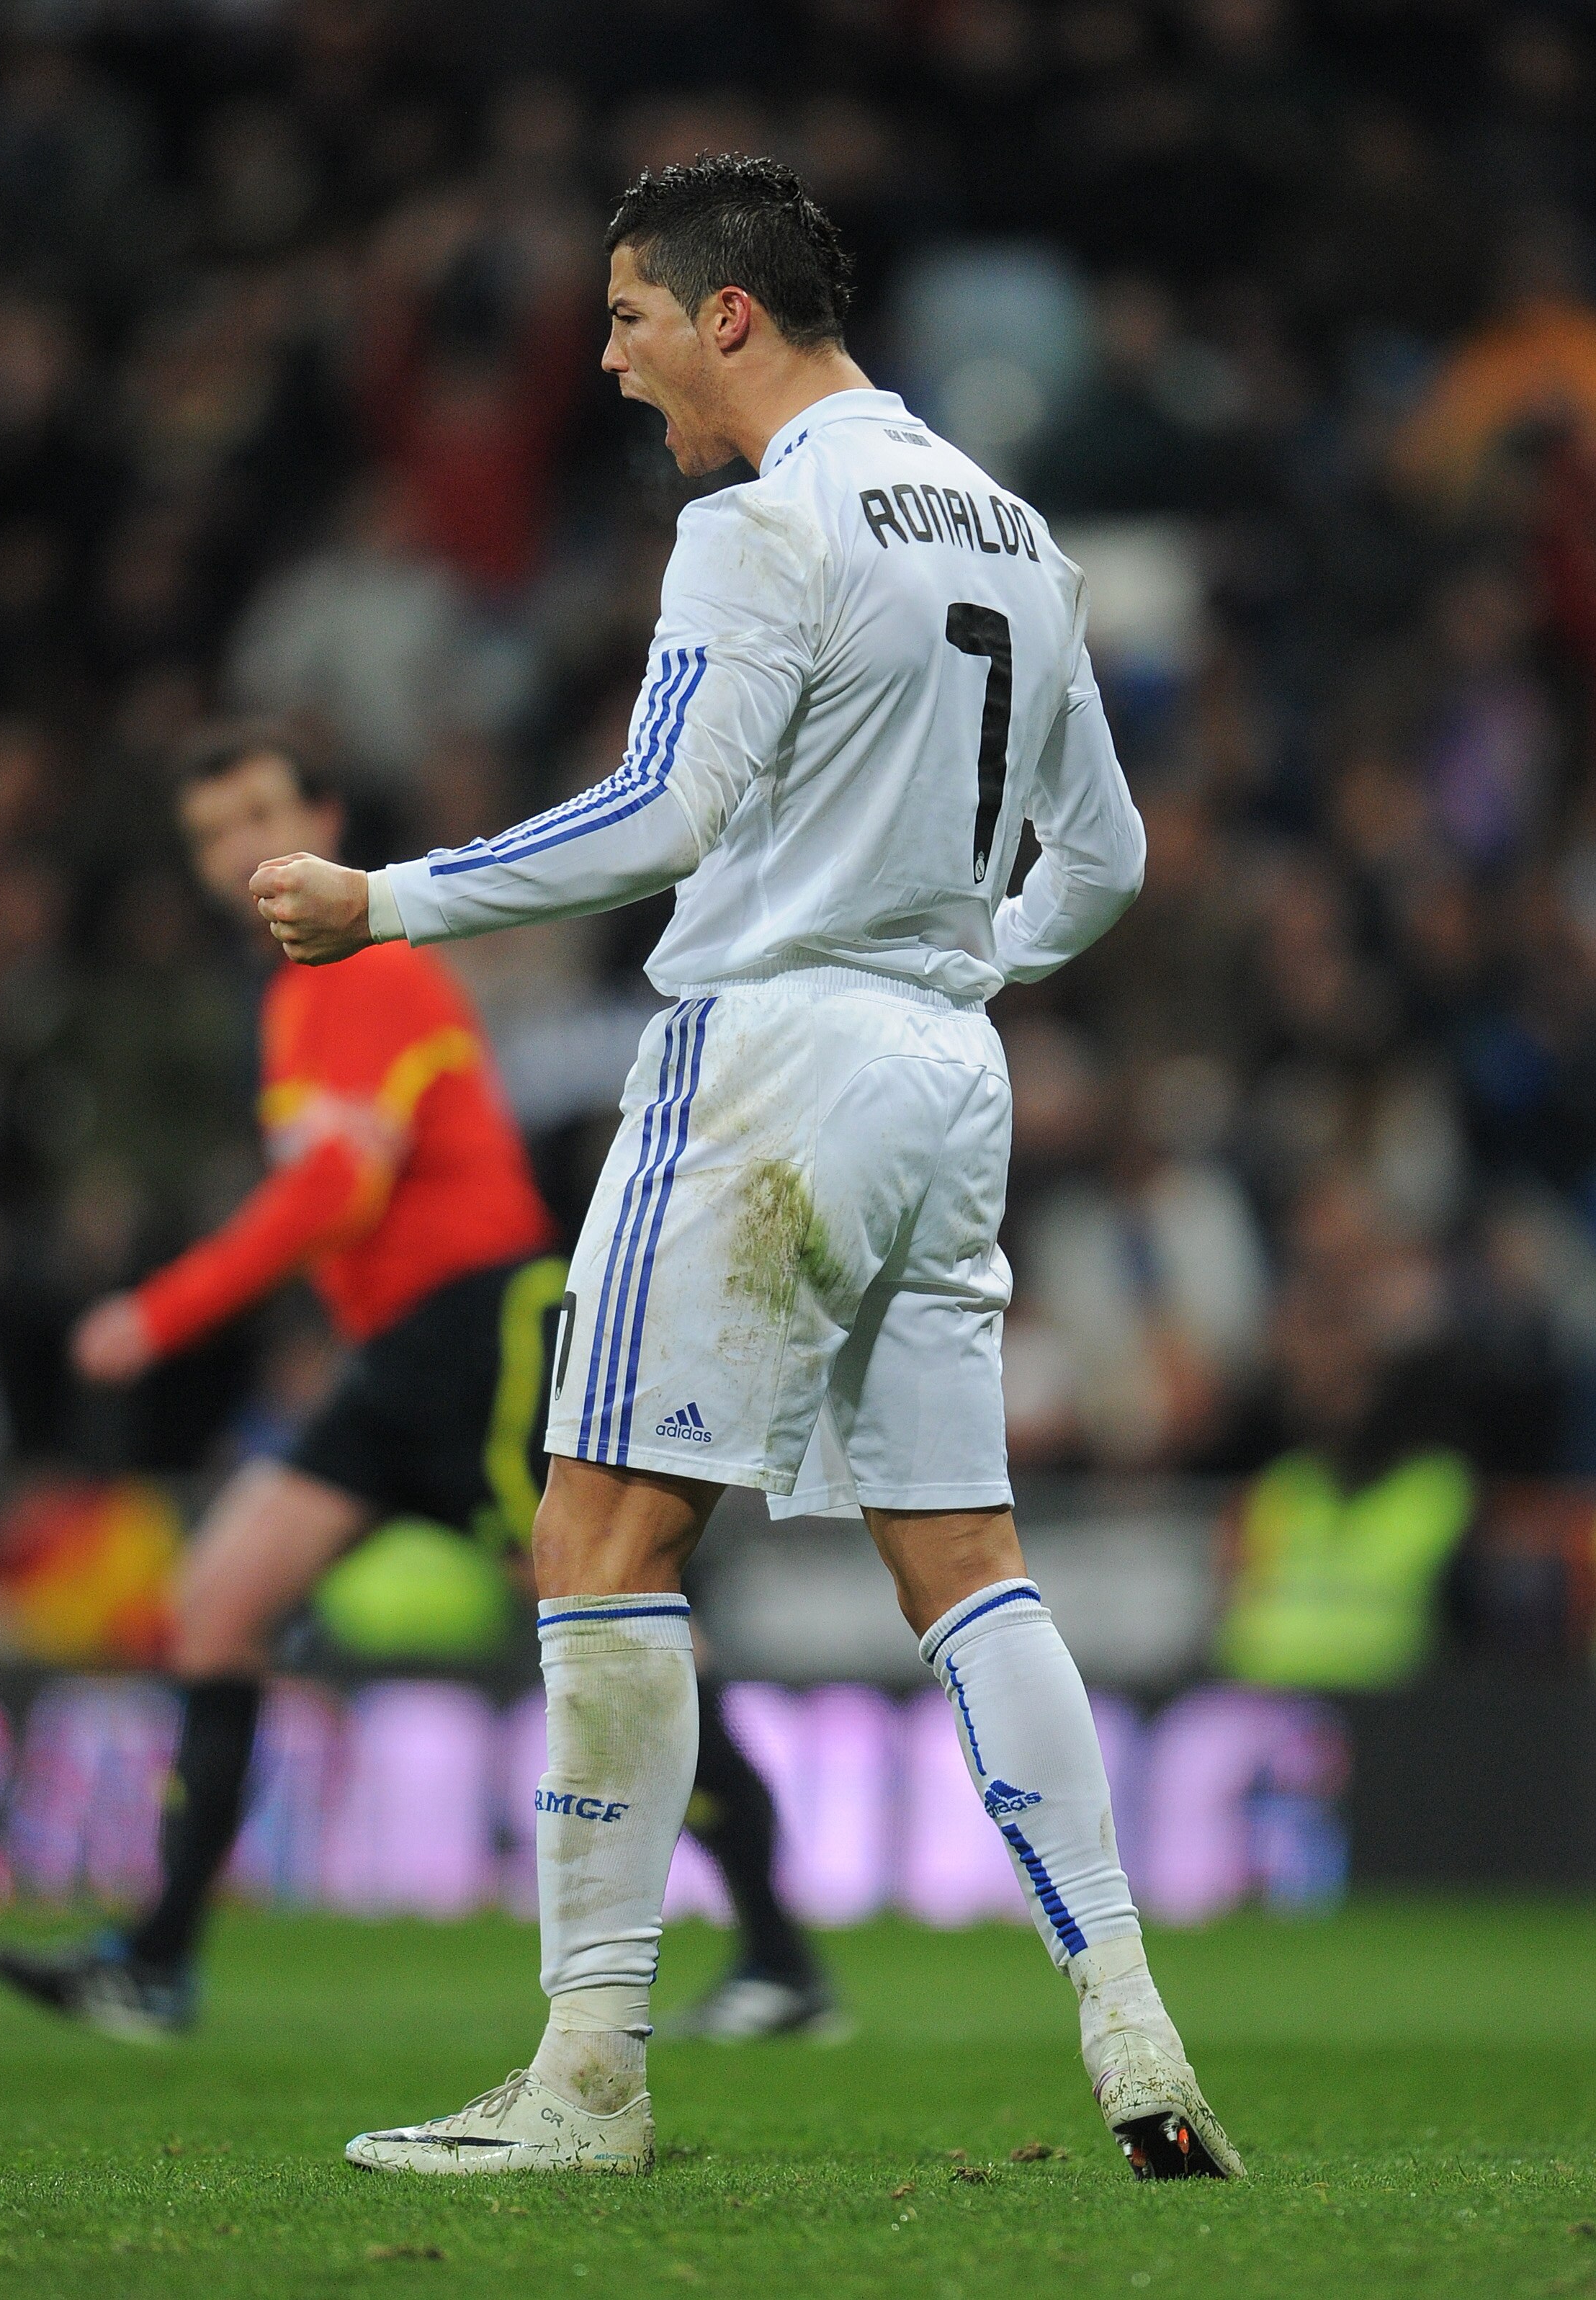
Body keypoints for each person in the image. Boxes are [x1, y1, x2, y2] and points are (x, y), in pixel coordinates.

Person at [254, 156, 1243, 2184]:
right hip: (941, 1075)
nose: (610, 367)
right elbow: (1112, 858)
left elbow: (662, 811)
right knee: (968, 1559)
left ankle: (588, 2075)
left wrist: (389, 895)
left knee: (601, 1537)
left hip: (771, 1061)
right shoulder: (1019, 534)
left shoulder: (764, 521)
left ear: (727, 315)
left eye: (625, 319)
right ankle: (1130, 2015)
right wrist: (969, 962)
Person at [0, 725, 834, 2041]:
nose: (236, 854)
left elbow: (340, 1184)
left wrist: (160, 1313)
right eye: (211, 832)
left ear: (321, 814)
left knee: (617, 1623)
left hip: (482, 1337)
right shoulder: (295, 992)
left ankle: (781, 1957)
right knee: (217, 1607)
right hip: (395, 1359)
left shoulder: (359, 964)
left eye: (259, 815)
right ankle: (153, 1965)